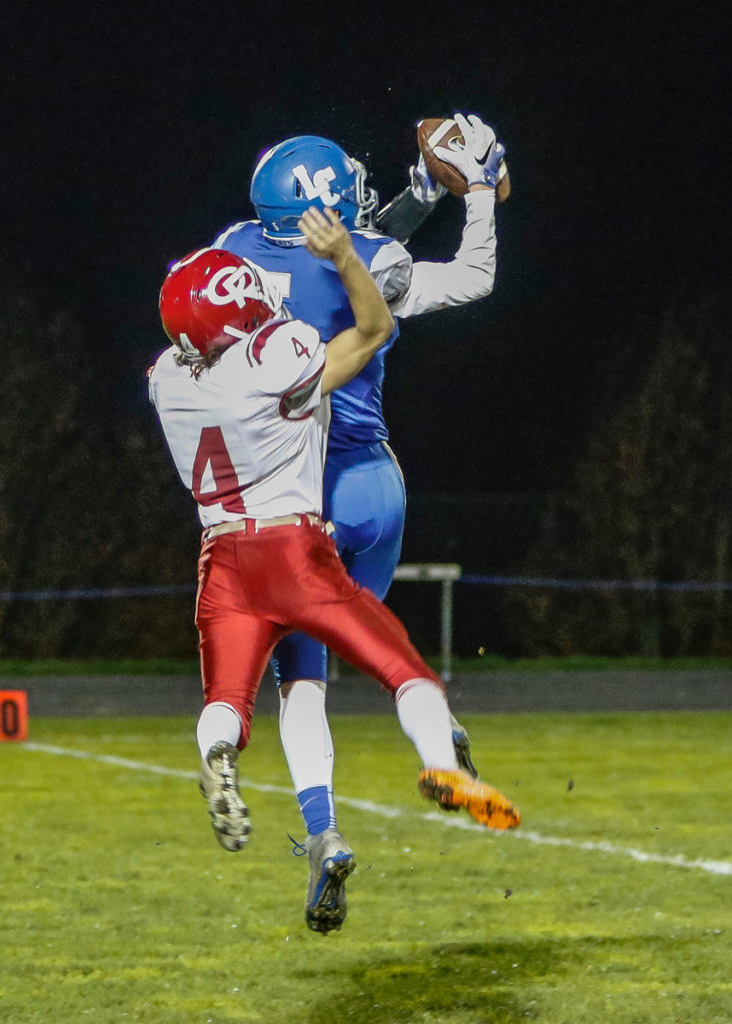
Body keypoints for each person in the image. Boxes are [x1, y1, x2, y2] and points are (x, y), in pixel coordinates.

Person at [149, 209, 520, 935]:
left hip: (222, 561)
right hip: (296, 547)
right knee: (403, 669)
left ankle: (222, 757)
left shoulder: (168, 379)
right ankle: (441, 760)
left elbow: (203, 340)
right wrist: (348, 258)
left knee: (231, 695)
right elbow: (374, 331)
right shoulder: (277, 354)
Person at [210, 113, 504, 863]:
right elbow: (462, 275)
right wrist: (471, 189)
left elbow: (339, 244)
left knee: (302, 675)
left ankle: (322, 832)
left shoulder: (231, 254)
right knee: (380, 645)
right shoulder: (374, 259)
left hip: (297, 500)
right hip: (377, 485)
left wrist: (416, 196)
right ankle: (438, 742)